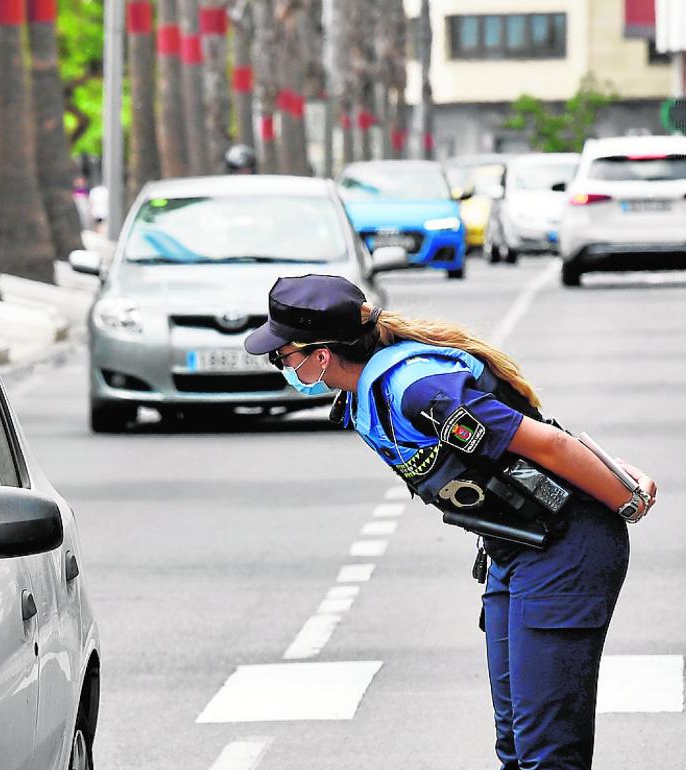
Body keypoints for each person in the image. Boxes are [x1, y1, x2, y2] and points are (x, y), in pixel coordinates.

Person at [243, 274, 658, 770]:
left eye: (283, 356)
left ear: (321, 355)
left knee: (548, 756)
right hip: (514, 547)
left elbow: (548, 444)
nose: (282, 366)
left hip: (567, 547)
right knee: (516, 747)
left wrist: (627, 499)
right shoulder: (367, 395)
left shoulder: (421, 392)